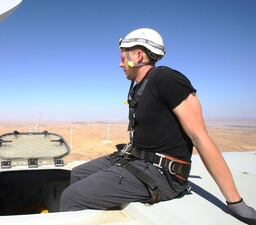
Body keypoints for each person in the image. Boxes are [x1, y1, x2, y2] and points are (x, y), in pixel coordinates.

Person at [59, 28, 256, 223]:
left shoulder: (167, 80)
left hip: (162, 174)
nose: (119, 65)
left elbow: (199, 137)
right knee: (76, 174)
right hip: (136, 159)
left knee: (72, 197)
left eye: (122, 58)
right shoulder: (138, 87)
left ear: (138, 56)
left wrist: (235, 201)